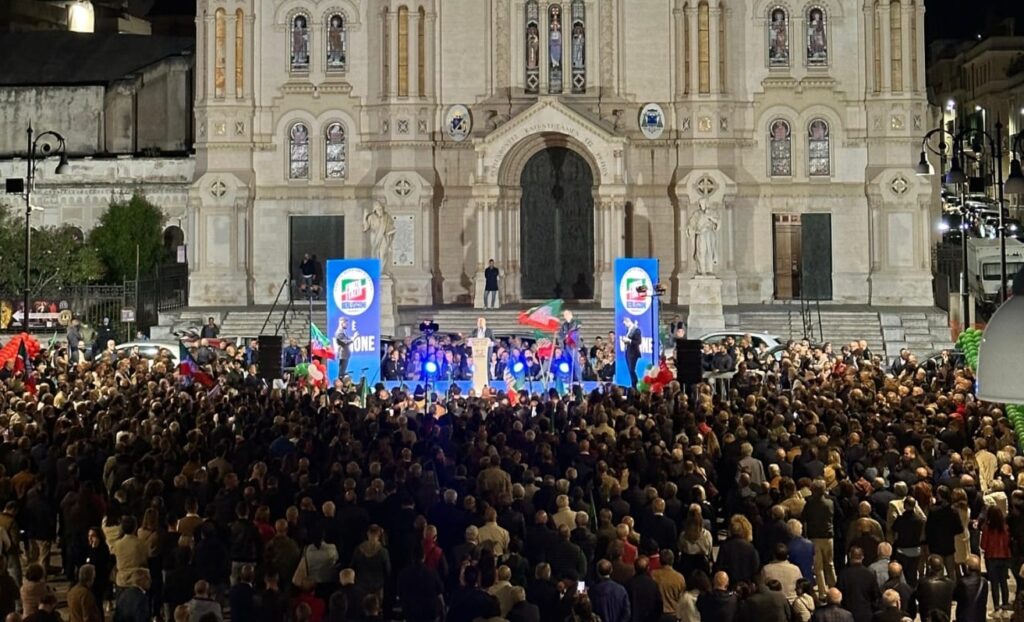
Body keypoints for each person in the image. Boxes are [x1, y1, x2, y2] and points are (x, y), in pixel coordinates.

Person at [980, 504, 1012, 612]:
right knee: (1004, 582)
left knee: (994, 583)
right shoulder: (1006, 528)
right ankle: (1005, 605)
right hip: (1004, 557)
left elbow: (983, 545)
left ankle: (996, 607)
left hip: (991, 557)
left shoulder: (987, 528)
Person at [835, 547, 879, 622]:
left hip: (847, 614)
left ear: (849, 556)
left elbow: (838, 595)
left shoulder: (843, 574)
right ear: (862, 557)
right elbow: (876, 596)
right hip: (866, 615)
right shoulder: (869, 574)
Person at [914, 555, 954, 621]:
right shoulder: (950, 583)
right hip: (944, 619)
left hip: (928, 619)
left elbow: (918, 597)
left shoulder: (923, 583)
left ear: (929, 567)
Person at [951, 555, 987, 622]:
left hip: (965, 618)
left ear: (967, 567)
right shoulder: (984, 582)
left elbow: (954, 596)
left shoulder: (963, 582)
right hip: (980, 618)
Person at [559, 309, 583, 384]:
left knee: (575, 362)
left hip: (573, 344)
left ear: (570, 314)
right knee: (568, 362)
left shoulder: (575, 322)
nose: (565, 316)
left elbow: (573, 332)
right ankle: (569, 379)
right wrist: (565, 335)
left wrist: (566, 334)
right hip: (566, 345)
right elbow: (561, 334)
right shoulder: (564, 324)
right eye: (564, 315)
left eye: (566, 314)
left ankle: (580, 380)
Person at [623, 317, 642, 390]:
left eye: (625, 324)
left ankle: (635, 386)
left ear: (628, 322)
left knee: (632, 370)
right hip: (628, 351)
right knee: (630, 370)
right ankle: (633, 385)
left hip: (633, 353)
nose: (625, 325)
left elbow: (638, 342)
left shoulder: (637, 330)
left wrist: (629, 340)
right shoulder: (628, 330)